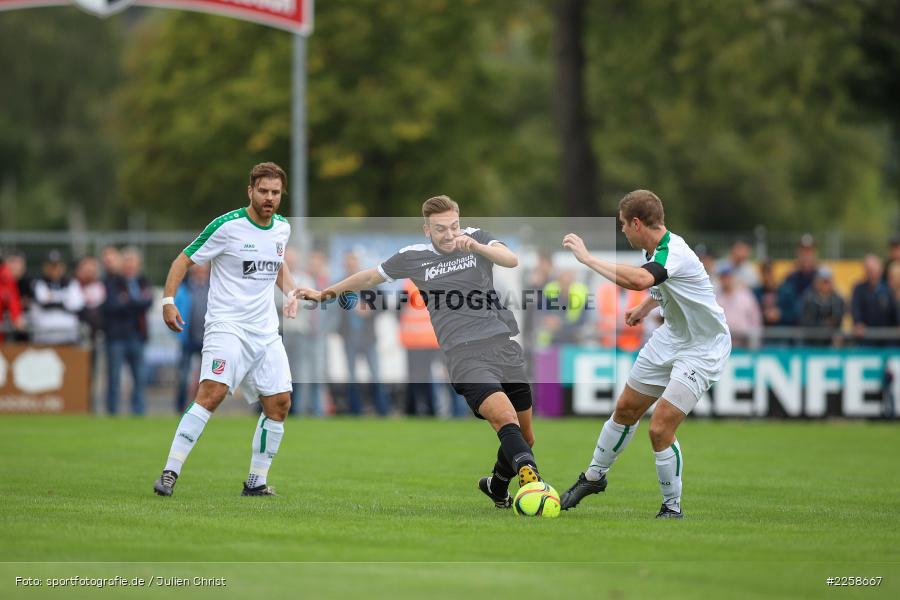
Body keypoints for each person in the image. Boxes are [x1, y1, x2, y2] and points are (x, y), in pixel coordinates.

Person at [294, 195, 546, 508]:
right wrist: (324, 293)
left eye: (454, 226)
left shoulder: (476, 238)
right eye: (441, 229)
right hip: (464, 356)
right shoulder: (413, 257)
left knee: (527, 437)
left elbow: (511, 259)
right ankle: (531, 476)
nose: (450, 234)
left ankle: (497, 484)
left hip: (503, 345)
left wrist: (478, 248)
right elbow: (369, 277)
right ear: (426, 230)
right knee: (505, 418)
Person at [558, 190, 731, 519]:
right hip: (671, 338)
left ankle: (672, 507)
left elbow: (641, 279)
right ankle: (594, 477)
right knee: (625, 409)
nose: (622, 230)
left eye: (623, 224)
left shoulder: (673, 251)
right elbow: (661, 284)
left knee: (659, 428)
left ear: (637, 223)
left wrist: (589, 259)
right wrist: (645, 306)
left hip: (703, 347)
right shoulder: (657, 250)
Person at [153, 162, 297, 498]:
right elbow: (183, 260)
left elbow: (278, 266)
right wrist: (168, 301)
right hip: (227, 327)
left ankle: (255, 482)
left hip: (265, 332)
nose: (269, 198)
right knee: (212, 393)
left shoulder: (282, 228)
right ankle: (170, 472)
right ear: (250, 190)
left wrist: (291, 292)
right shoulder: (227, 226)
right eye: (263, 191)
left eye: (275, 192)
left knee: (280, 403)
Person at [336, 252, 389, 416]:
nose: (350, 266)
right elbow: (332, 311)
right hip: (349, 337)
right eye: (348, 264)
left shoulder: (369, 282)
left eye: (353, 263)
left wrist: (369, 309)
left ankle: (382, 410)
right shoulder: (339, 285)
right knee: (351, 375)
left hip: (368, 337)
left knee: (375, 374)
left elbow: (384, 304)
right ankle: (355, 411)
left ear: (358, 264)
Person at [102, 247, 153, 415]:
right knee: (114, 378)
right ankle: (112, 412)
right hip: (116, 337)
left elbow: (147, 302)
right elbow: (112, 306)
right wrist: (134, 303)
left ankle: (138, 412)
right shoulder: (112, 282)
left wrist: (128, 302)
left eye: (133, 262)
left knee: (139, 378)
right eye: (127, 262)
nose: (130, 266)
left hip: (137, 336)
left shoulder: (143, 281)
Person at [283, 248, 329, 417]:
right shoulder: (279, 277)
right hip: (285, 333)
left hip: (308, 333)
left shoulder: (306, 279)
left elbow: (306, 301)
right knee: (286, 374)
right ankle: (292, 409)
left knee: (309, 374)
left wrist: (291, 301)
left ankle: (309, 410)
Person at [173, 263, 211, 413]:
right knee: (183, 377)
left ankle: (199, 410)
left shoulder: (214, 288)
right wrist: (179, 333)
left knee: (206, 380)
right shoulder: (184, 289)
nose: (200, 272)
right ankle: (180, 409)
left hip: (208, 341)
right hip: (188, 341)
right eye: (197, 269)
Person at [399, 279, 439, 416]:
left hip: (413, 339)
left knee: (414, 376)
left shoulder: (408, 285)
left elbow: (399, 310)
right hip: (430, 338)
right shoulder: (435, 282)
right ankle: (431, 410)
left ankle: (412, 409)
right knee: (427, 375)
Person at [30, 250, 85, 345]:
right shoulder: (39, 283)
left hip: (68, 336)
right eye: (52, 266)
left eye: (57, 266)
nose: (54, 269)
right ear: (46, 267)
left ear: (63, 267)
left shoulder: (71, 283)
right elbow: (42, 300)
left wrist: (53, 297)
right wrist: (64, 298)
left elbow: (76, 304)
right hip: (45, 337)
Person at [851, 255, 897, 346]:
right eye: (868, 270)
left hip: (887, 340)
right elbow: (855, 308)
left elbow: (895, 311)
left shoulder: (889, 289)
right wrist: (858, 322)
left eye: (873, 270)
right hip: (866, 340)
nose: (871, 273)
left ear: (880, 270)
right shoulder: (859, 289)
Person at [715, 265, 762, 349]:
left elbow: (755, 318)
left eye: (727, 276)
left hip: (745, 342)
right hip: (723, 344)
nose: (726, 280)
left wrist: (755, 342)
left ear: (732, 277)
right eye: (723, 277)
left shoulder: (745, 294)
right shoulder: (715, 297)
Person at [778, 234, 818, 326]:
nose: (806, 255)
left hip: (814, 326)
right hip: (794, 325)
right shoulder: (790, 277)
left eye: (809, 251)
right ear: (798, 253)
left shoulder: (821, 277)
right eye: (803, 251)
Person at [799, 267, 845, 347]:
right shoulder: (809, 298)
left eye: (828, 281)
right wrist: (824, 323)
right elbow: (807, 321)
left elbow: (837, 319)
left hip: (831, 340)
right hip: (811, 340)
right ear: (817, 282)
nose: (826, 284)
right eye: (824, 281)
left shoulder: (838, 300)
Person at [0, 251, 25, 343]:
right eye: (16, 263)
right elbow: (13, 302)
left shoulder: (9, 280)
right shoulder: (7, 278)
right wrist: (16, 318)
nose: (20, 268)